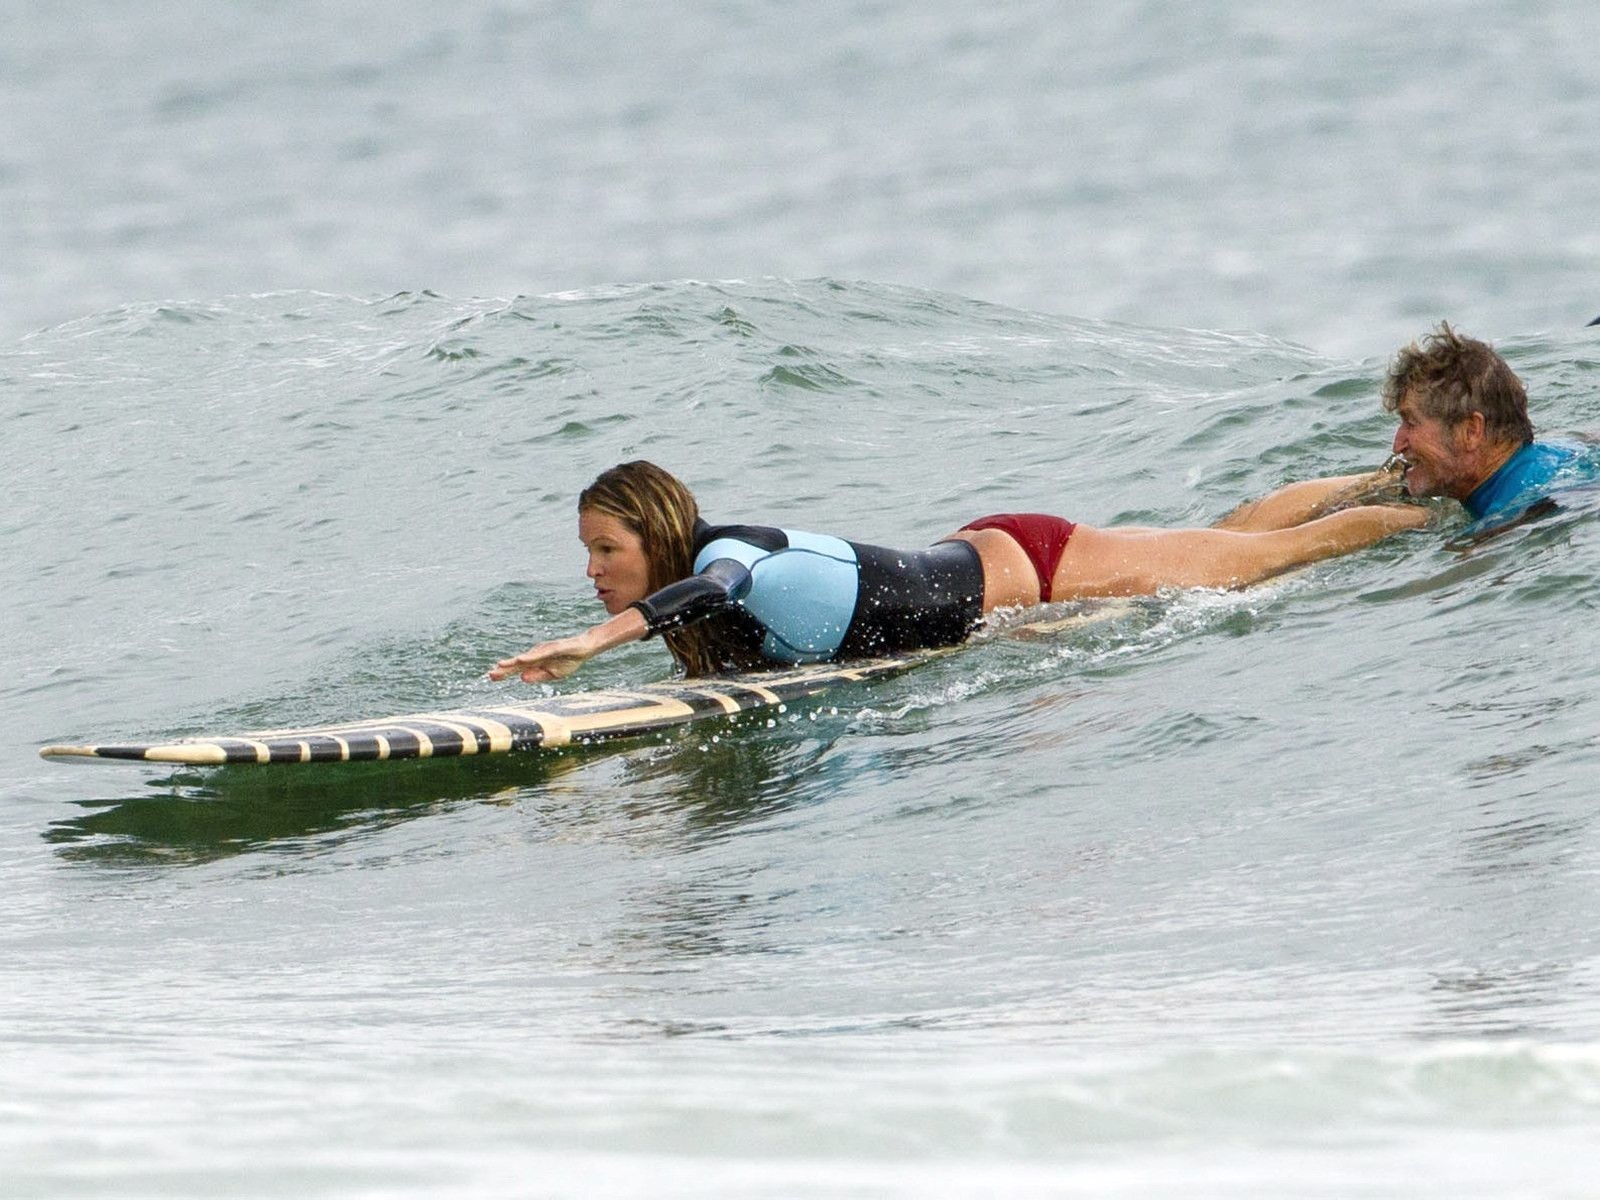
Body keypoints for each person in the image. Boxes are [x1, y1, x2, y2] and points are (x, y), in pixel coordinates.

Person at [489, 460, 1426, 682]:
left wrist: (595, 642)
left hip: (1035, 567)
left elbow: (710, 593)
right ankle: (1384, 475)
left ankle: (1421, 501)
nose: (593, 569)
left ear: (657, 539)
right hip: (988, 566)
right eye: (587, 553)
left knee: (1267, 559)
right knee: (1225, 536)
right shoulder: (707, 597)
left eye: (606, 550)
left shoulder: (727, 557)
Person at [1382, 322, 1592, 526]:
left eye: (1411, 422)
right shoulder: (1564, 451)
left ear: (1471, 431)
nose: (1398, 444)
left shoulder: (1506, 522)